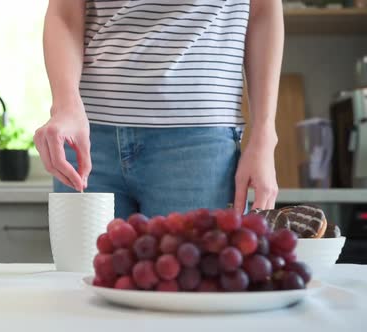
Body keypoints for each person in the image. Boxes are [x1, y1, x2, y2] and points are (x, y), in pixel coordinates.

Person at [34, 0, 283, 219]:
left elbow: (262, 11)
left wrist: (264, 136)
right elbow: (64, 14)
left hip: (198, 145)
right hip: (89, 138)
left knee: (194, 272)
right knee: (82, 273)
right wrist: (65, 104)